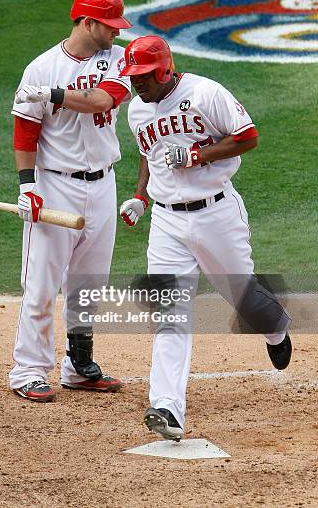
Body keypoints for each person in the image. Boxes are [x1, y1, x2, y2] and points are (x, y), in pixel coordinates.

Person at [119, 35, 292, 441]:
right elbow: (149, 152)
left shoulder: (205, 93)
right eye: (132, 76)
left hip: (216, 213)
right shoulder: (136, 111)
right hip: (166, 222)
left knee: (244, 298)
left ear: (163, 69)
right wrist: (140, 196)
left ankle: (275, 328)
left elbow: (248, 136)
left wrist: (197, 156)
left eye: (143, 76)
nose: (136, 83)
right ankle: (166, 407)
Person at [9, 0, 132, 402]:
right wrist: (28, 187)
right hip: (54, 183)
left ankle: (79, 367)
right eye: (110, 26)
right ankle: (28, 369)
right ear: (87, 22)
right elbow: (25, 132)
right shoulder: (40, 68)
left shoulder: (117, 59)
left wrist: (57, 96)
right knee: (41, 282)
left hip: (103, 183)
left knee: (88, 284)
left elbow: (102, 99)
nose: (116, 33)